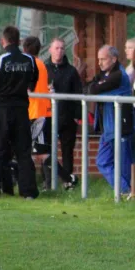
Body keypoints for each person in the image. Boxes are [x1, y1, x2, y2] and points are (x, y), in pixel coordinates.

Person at [0, 26, 39, 199]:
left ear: (3, 41)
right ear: (18, 41)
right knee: (23, 152)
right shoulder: (29, 60)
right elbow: (33, 82)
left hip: (0, 110)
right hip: (21, 111)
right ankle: (29, 192)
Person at [24, 37, 77, 191]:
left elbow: (29, 89)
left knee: (42, 153)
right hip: (39, 112)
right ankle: (62, 180)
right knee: (39, 152)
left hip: (38, 113)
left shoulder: (33, 65)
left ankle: (67, 179)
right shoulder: (41, 65)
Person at [86, 45, 135, 195]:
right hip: (108, 128)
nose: (99, 63)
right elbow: (89, 87)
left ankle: (130, 192)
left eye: (103, 59)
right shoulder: (105, 74)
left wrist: (97, 85)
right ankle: (125, 190)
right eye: (98, 59)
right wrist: (97, 84)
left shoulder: (118, 75)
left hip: (120, 127)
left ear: (113, 59)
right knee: (102, 161)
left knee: (125, 164)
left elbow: (93, 90)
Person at [46, 37, 83, 178]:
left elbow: (78, 94)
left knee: (67, 151)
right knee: (47, 151)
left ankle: (68, 180)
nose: (59, 51)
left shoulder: (71, 71)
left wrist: (76, 117)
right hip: (48, 116)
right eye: (56, 48)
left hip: (67, 117)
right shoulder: (44, 69)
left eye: (62, 48)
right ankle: (49, 181)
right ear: (50, 50)